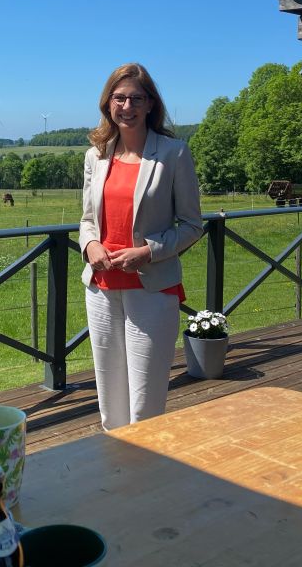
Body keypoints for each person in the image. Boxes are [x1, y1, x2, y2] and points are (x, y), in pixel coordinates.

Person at [79, 63, 203, 430]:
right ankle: (114, 478)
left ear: (151, 104)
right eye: (119, 98)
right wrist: (90, 246)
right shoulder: (96, 155)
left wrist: (147, 251)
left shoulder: (174, 154)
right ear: (108, 104)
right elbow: (87, 219)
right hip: (101, 288)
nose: (127, 106)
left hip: (151, 287)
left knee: (145, 408)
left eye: (136, 98)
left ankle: (145, 477)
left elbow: (192, 225)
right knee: (109, 404)